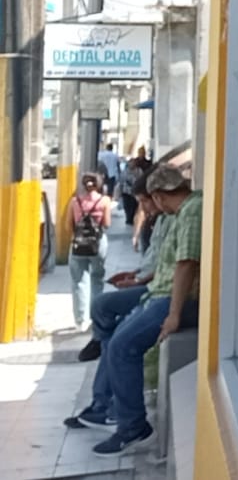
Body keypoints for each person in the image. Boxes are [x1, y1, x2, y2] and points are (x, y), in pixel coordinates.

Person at [63, 165, 202, 457]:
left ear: (159, 196)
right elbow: (170, 264)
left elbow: (186, 264)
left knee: (122, 346)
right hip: (159, 293)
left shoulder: (191, 212)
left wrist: (174, 314)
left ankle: (131, 427)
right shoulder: (181, 212)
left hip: (173, 299)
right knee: (114, 339)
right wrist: (140, 280)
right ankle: (110, 407)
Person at [76, 176, 170, 363]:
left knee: (103, 308)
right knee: (111, 332)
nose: (144, 208)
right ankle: (103, 340)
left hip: (155, 287)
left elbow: (167, 266)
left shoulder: (171, 221)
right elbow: (152, 260)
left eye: (145, 202)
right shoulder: (159, 220)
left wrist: (138, 281)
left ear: (157, 197)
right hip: (144, 278)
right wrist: (134, 274)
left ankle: (101, 339)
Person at [67, 173, 112, 331]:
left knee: (78, 280)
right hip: (98, 244)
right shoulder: (104, 201)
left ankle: (81, 321)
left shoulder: (75, 201)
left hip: (78, 244)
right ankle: (95, 315)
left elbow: (68, 225)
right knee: (97, 278)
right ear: (99, 184)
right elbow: (107, 224)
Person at [122, 145, 152, 226]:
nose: (141, 154)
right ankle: (129, 218)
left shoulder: (146, 164)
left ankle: (131, 218)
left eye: (143, 152)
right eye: (140, 152)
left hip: (137, 188)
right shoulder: (131, 166)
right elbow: (123, 178)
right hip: (127, 190)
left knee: (134, 205)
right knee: (127, 205)